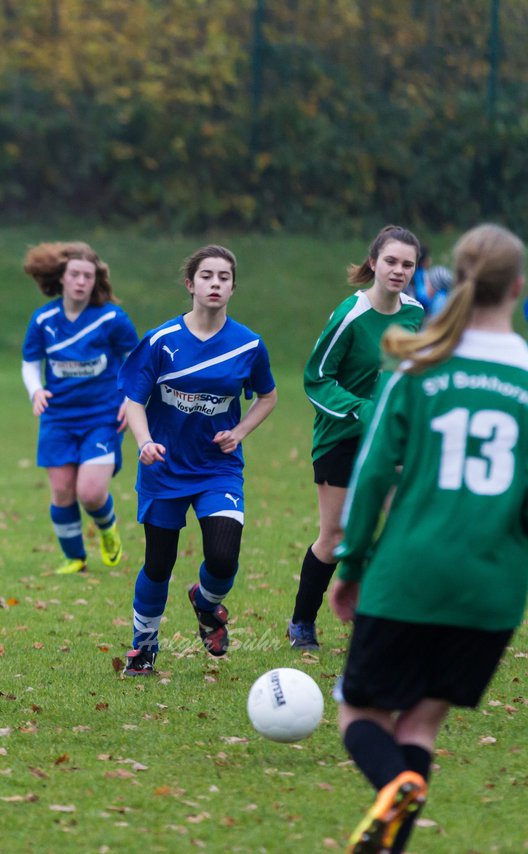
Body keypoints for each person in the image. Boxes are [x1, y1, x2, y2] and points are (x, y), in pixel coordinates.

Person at [331, 223, 528, 853]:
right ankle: (393, 832)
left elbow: (366, 479)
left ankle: (392, 785)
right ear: (518, 289)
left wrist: (351, 562)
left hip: (409, 575)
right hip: (491, 590)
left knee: (360, 715)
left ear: (449, 282)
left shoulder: (418, 364)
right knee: (422, 722)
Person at [118, 245, 278, 676]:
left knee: (224, 556)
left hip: (217, 468)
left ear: (232, 287)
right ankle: (144, 647)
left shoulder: (248, 344)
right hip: (163, 467)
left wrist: (240, 432)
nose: (216, 283)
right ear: (190, 284)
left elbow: (268, 396)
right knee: (159, 562)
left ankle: (206, 605)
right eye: (207, 276)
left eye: (224, 277)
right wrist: (144, 440)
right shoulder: (161, 341)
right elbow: (133, 399)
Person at [287, 226, 425, 650]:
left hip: (391, 441)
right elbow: (316, 379)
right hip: (342, 435)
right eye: (391, 261)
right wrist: (364, 410)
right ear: (373, 263)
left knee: (404, 527)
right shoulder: (350, 314)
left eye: (407, 264)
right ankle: (301, 623)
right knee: (336, 536)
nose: (398, 270)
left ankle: (383, 622)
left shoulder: (416, 314)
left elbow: (414, 374)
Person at [20, 242, 139, 575]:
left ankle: (107, 527)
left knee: (90, 492)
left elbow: (136, 361)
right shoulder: (44, 319)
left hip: (102, 416)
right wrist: (36, 391)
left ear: (95, 280)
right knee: (62, 490)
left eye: (88, 275)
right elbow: (30, 362)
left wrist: (130, 400)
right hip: (58, 417)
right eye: (75, 274)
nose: (81, 281)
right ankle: (74, 558)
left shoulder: (112, 319)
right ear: (62, 278)